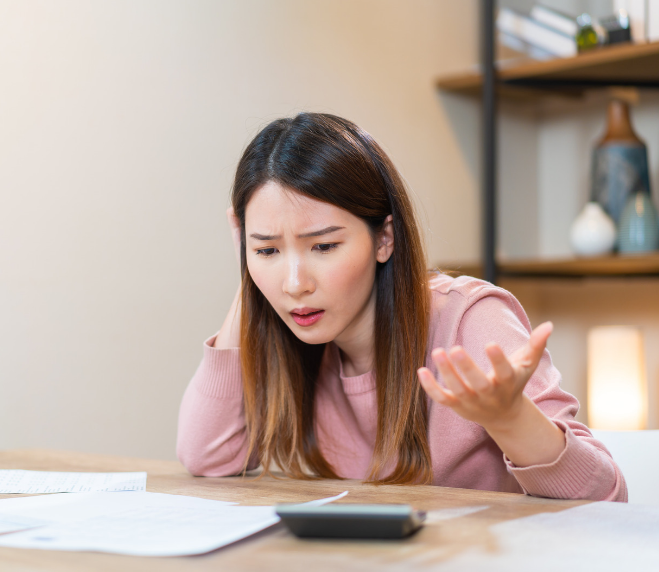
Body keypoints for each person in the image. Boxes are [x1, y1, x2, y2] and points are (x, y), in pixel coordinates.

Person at [176, 113, 626, 501]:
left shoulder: (469, 320)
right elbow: (207, 456)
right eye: (268, 251)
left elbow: (605, 496)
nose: (294, 285)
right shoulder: (291, 337)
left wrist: (510, 419)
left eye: (324, 246)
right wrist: (249, 263)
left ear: (384, 238)